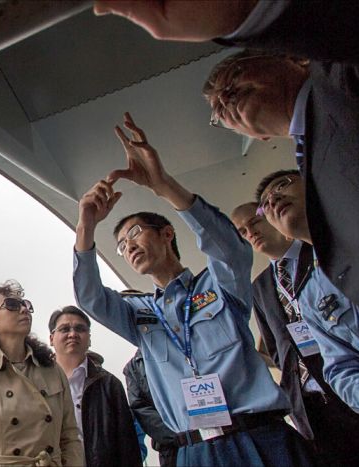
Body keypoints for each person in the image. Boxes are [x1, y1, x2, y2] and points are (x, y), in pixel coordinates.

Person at [93, 0, 359, 367]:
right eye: (217, 111)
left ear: (293, 59)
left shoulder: (344, 84)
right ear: (256, 136)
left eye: (231, 80)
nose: (222, 101)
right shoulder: (311, 160)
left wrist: (246, 14)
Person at [73, 112, 312, 466]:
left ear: (167, 234)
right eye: (122, 246)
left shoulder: (218, 285)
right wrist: (86, 225)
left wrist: (163, 184)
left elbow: (229, 247)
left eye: (136, 233)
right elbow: (90, 297)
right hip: (195, 452)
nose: (130, 247)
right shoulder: (138, 314)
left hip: (261, 440)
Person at [256, 170, 359, 465]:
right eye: (265, 204)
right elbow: (340, 367)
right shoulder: (309, 293)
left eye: (283, 185)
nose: (274, 198)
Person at [0, 280, 83, 466]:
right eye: (12, 305)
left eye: (26, 305)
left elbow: (70, 438)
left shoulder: (52, 370)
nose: (24, 309)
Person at [48, 305, 142, 467]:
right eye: (64, 329)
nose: (73, 334)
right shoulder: (36, 383)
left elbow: (127, 444)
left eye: (80, 329)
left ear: (89, 338)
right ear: (51, 338)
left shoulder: (109, 384)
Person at [123, 348, 179, 467]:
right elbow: (140, 409)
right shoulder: (133, 368)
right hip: (171, 446)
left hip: (210, 436)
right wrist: (179, 435)